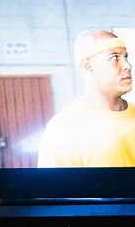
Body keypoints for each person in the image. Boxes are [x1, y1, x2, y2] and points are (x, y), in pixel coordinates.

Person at [38, 29, 135, 167]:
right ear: (88, 66)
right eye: (114, 58)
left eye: (126, 57)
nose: (128, 66)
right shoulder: (64, 128)